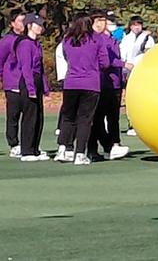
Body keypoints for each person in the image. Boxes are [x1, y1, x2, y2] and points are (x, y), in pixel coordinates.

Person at [55, 12, 110, 165]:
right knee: (85, 119)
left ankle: (63, 148)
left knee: (68, 117)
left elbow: (66, 56)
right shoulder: (96, 39)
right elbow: (105, 62)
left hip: (71, 82)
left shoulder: (67, 40)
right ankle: (80, 153)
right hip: (90, 84)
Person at [88, 11, 132, 161]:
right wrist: (123, 64)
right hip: (104, 82)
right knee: (99, 117)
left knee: (113, 117)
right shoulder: (99, 39)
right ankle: (101, 147)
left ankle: (113, 144)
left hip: (115, 82)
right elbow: (106, 61)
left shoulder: (112, 39)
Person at [6, 14, 50, 161]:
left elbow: (40, 68)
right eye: (37, 24)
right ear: (29, 25)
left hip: (36, 81)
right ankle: (27, 151)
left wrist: (44, 86)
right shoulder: (25, 43)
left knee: (38, 116)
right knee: (29, 116)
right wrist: (31, 89)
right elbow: (26, 68)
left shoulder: (36, 43)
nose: (40, 27)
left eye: (41, 25)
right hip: (26, 82)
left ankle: (35, 149)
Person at [119, 15, 154, 137]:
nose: (136, 27)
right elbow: (125, 54)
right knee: (130, 97)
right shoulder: (126, 39)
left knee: (143, 97)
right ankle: (132, 123)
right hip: (129, 71)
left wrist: (144, 36)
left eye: (138, 24)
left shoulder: (148, 39)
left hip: (142, 71)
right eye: (134, 25)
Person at [1, 10, 26, 158]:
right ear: (12, 24)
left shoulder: (28, 40)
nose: (23, 24)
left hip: (27, 84)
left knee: (30, 115)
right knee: (13, 115)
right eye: (20, 21)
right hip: (13, 83)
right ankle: (14, 144)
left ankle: (28, 143)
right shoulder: (7, 40)